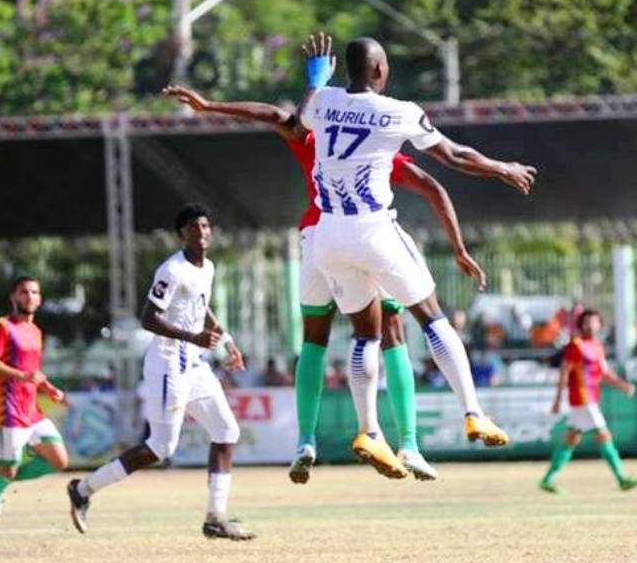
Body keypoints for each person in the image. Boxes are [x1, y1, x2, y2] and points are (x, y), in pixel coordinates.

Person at [163, 81, 490, 483]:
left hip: (317, 242)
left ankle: (305, 442)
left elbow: (273, 114)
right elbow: (433, 184)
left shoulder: (312, 139)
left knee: (314, 340)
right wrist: (461, 241)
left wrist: (210, 105)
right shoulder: (373, 144)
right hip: (365, 237)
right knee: (391, 332)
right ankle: (408, 443)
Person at [294, 32, 537, 478]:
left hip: (328, 236)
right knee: (430, 316)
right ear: (379, 69)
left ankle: (369, 431)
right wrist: (501, 167)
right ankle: (473, 411)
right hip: (373, 229)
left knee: (365, 334)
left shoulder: (323, 101)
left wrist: (314, 80)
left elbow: (301, 117)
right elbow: (453, 156)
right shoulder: (400, 111)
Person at [67, 204, 255, 541]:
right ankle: (82, 489)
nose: (201, 232)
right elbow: (148, 318)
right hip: (168, 362)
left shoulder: (208, 267)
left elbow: (201, 306)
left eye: (205, 226)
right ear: (182, 234)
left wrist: (227, 342)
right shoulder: (172, 270)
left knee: (227, 431)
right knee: (161, 447)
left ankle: (215, 518)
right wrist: (193, 337)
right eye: (194, 227)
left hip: (194, 363)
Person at [0, 277, 68, 545]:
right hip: (6, 411)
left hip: (31, 410)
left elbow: (33, 371)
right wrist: (21, 375)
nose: (29, 296)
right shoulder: (3, 326)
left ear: (39, 299)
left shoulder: (36, 331)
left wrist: (48, 388)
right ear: (14, 297)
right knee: (7, 470)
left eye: (34, 292)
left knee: (58, 460)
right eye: (24, 292)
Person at [539, 309, 637, 494]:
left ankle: (548, 479)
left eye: (593, 322)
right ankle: (622, 478)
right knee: (603, 434)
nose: (589, 326)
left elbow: (604, 373)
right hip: (582, 398)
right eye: (586, 322)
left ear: (600, 325)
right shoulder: (576, 346)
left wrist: (622, 385)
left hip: (590, 398)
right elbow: (564, 372)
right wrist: (557, 400)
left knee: (571, 439)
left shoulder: (596, 346)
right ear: (581, 325)